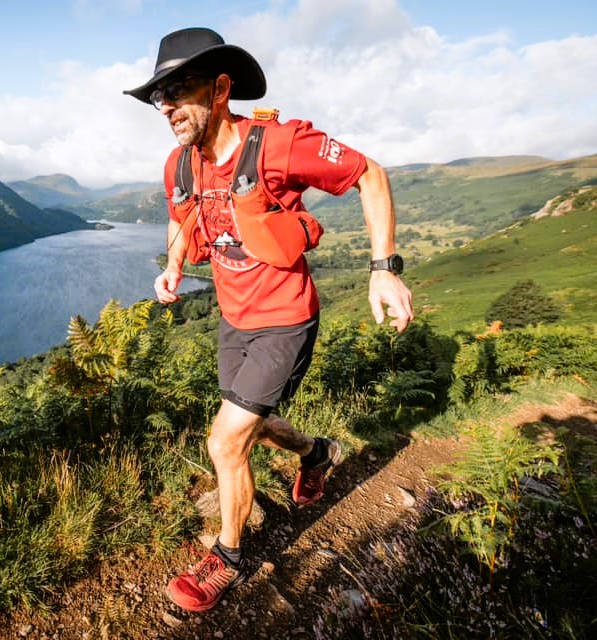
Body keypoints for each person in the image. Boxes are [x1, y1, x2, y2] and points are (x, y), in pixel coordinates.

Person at [124, 27, 414, 613]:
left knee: (225, 440)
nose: (169, 106)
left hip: (286, 319)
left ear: (222, 87)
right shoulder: (179, 166)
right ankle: (316, 453)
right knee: (258, 421)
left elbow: (370, 174)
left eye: (181, 89)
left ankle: (227, 559)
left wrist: (383, 267)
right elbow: (179, 222)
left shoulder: (277, 145)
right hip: (235, 319)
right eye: (161, 96)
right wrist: (174, 268)